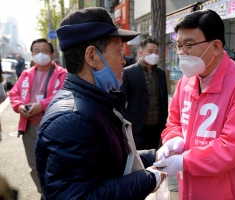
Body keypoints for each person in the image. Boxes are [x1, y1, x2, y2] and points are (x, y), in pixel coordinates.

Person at [35, 7, 166, 200]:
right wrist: (148, 179)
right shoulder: (72, 119)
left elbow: (109, 160)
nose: (124, 61)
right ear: (92, 57)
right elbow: (79, 196)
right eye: (118, 51)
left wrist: (153, 156)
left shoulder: (94, 103)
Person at [153, 9, 235, 199]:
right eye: (179, 45)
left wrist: (184, 161)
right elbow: (173, 122)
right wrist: (173, 139)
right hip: (190, 188)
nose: (182, 53)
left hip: (229, 191)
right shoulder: (186, 81)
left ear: (215, 47)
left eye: (189, 45)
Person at [9, 38, 67, 195]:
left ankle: (57, 193)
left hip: (54, 127)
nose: (40, 54)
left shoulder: (62, 74)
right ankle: (44, 193)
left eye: (44, 50)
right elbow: (14, 94)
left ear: (52, 54)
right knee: (35, 165)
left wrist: (41, 105)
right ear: (31, 53)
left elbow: (64, 95)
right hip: (29, 127)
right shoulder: (26, 74)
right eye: (36, 51)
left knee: (55, 163)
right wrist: (19, 106)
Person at [120, 38, 168, 150]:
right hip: (137, 126)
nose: (154, 55)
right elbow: (121, 100)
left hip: (157, 127)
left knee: (154, 157)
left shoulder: (161, 73)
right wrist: (125, 122)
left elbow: (164, 98)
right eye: (150, 51)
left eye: (156, 52)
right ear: (141, 52)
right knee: (140, 158)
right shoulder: (128, 72)